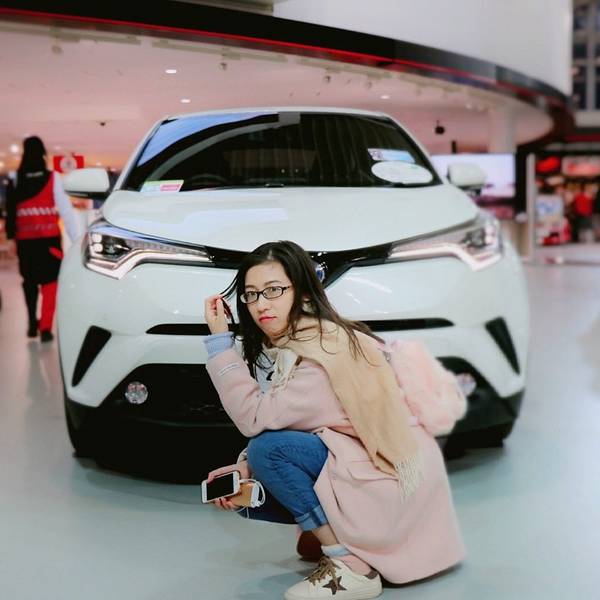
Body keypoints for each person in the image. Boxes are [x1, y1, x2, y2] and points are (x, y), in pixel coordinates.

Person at [202, 241, 466, 600]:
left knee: (268, 451)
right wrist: (245, 468)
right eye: (251, 294)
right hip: (396, 472)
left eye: (274, 290)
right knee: (257, 473)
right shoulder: (317, 337)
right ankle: (340, 542)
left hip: (394, 485)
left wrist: (220, 345)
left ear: (303, 292)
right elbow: (296, 422)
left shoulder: (321, 353)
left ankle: (351, 567)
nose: (261, 304)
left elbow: (256, 419)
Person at [6, 136, 79, 342]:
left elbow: (10, 211)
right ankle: (45, 327)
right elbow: (66, 211)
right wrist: (75, 239)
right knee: (50, 283)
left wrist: (11, 238)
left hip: (25, 241)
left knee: (29, 282)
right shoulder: (53, 177)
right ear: (43, 154)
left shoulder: (15, 178)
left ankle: (32, 323)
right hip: (49, 241)